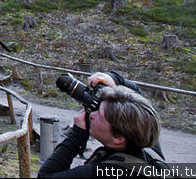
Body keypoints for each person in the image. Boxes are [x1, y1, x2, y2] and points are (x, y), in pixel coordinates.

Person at [37, 71, 165, 178]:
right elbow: (137, 94)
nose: (92, 114)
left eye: (99, 114)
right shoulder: (149, 151)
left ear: (118, 138)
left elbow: (45, 176)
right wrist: (112, 79)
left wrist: (76, 136)